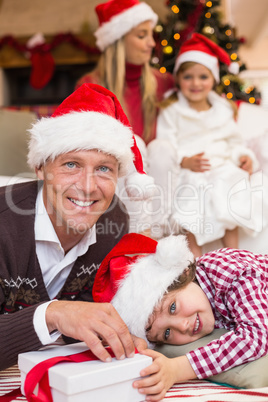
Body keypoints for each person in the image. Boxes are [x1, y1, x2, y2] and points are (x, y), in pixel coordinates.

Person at [0, 83, 151, 371]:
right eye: (71, 164)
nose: (88, 187)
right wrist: (53, 314)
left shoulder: (113, 217)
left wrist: (111, 334)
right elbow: (63, 315)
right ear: (41, 168)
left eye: (104, 168)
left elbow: (87, 303)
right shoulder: (4, 227)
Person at [93, 232, 268, 401]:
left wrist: (177, 369)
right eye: (167, 333)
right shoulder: (199, 303)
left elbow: (255, 336)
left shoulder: (227, 270)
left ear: (184, 274)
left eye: (173, 307)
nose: (183, 326)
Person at [148, 33, 268, 255]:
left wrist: (243, 156)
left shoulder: (222, 109)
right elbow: (166, 143)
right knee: (192, 192)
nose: (196, 83)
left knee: (231, 181)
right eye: (188, 77)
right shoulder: (172, 109)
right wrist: (184, 161)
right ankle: (195, 257)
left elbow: (234, 141)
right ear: (178, 79)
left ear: (213, 79)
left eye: (203, 77)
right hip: (190, 169)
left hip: (220, 165)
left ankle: (235, 254)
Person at [76, 0, 174, 146]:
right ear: (118, 42)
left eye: (151, 35)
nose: (152, 43)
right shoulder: (89, 88)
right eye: (142, 36)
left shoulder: (164, 82)